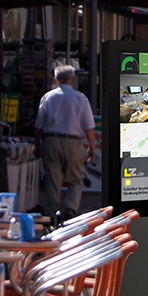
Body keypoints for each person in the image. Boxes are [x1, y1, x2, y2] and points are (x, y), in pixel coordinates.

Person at [34, 65, 97, 221]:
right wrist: (92, 147)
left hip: (51, 141)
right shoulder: (81, 98)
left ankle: (53, 212)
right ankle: (70, 208)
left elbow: (38, 126)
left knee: (52, 181)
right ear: (72, 80)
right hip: (73, 142)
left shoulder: (47, 97)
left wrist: (37, 145)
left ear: (55, 79)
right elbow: (89, 127)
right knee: (76, 179)